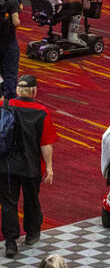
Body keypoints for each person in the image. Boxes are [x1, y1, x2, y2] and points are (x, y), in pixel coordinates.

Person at [0, 74, 57, 257]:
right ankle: (32, 234)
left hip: (6, 166)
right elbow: (45, 144)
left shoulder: (5, 106)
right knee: (31, 200)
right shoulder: (42, 112)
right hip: (31, 166)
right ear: (34, 91)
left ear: (17, 90)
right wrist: (49, 167)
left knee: (9, 203)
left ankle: (10, 243)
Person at [0, 0, 22, 91]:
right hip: (8, 39)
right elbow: (16, 22)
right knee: (11, 69)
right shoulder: (12, 0)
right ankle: (9, 99)